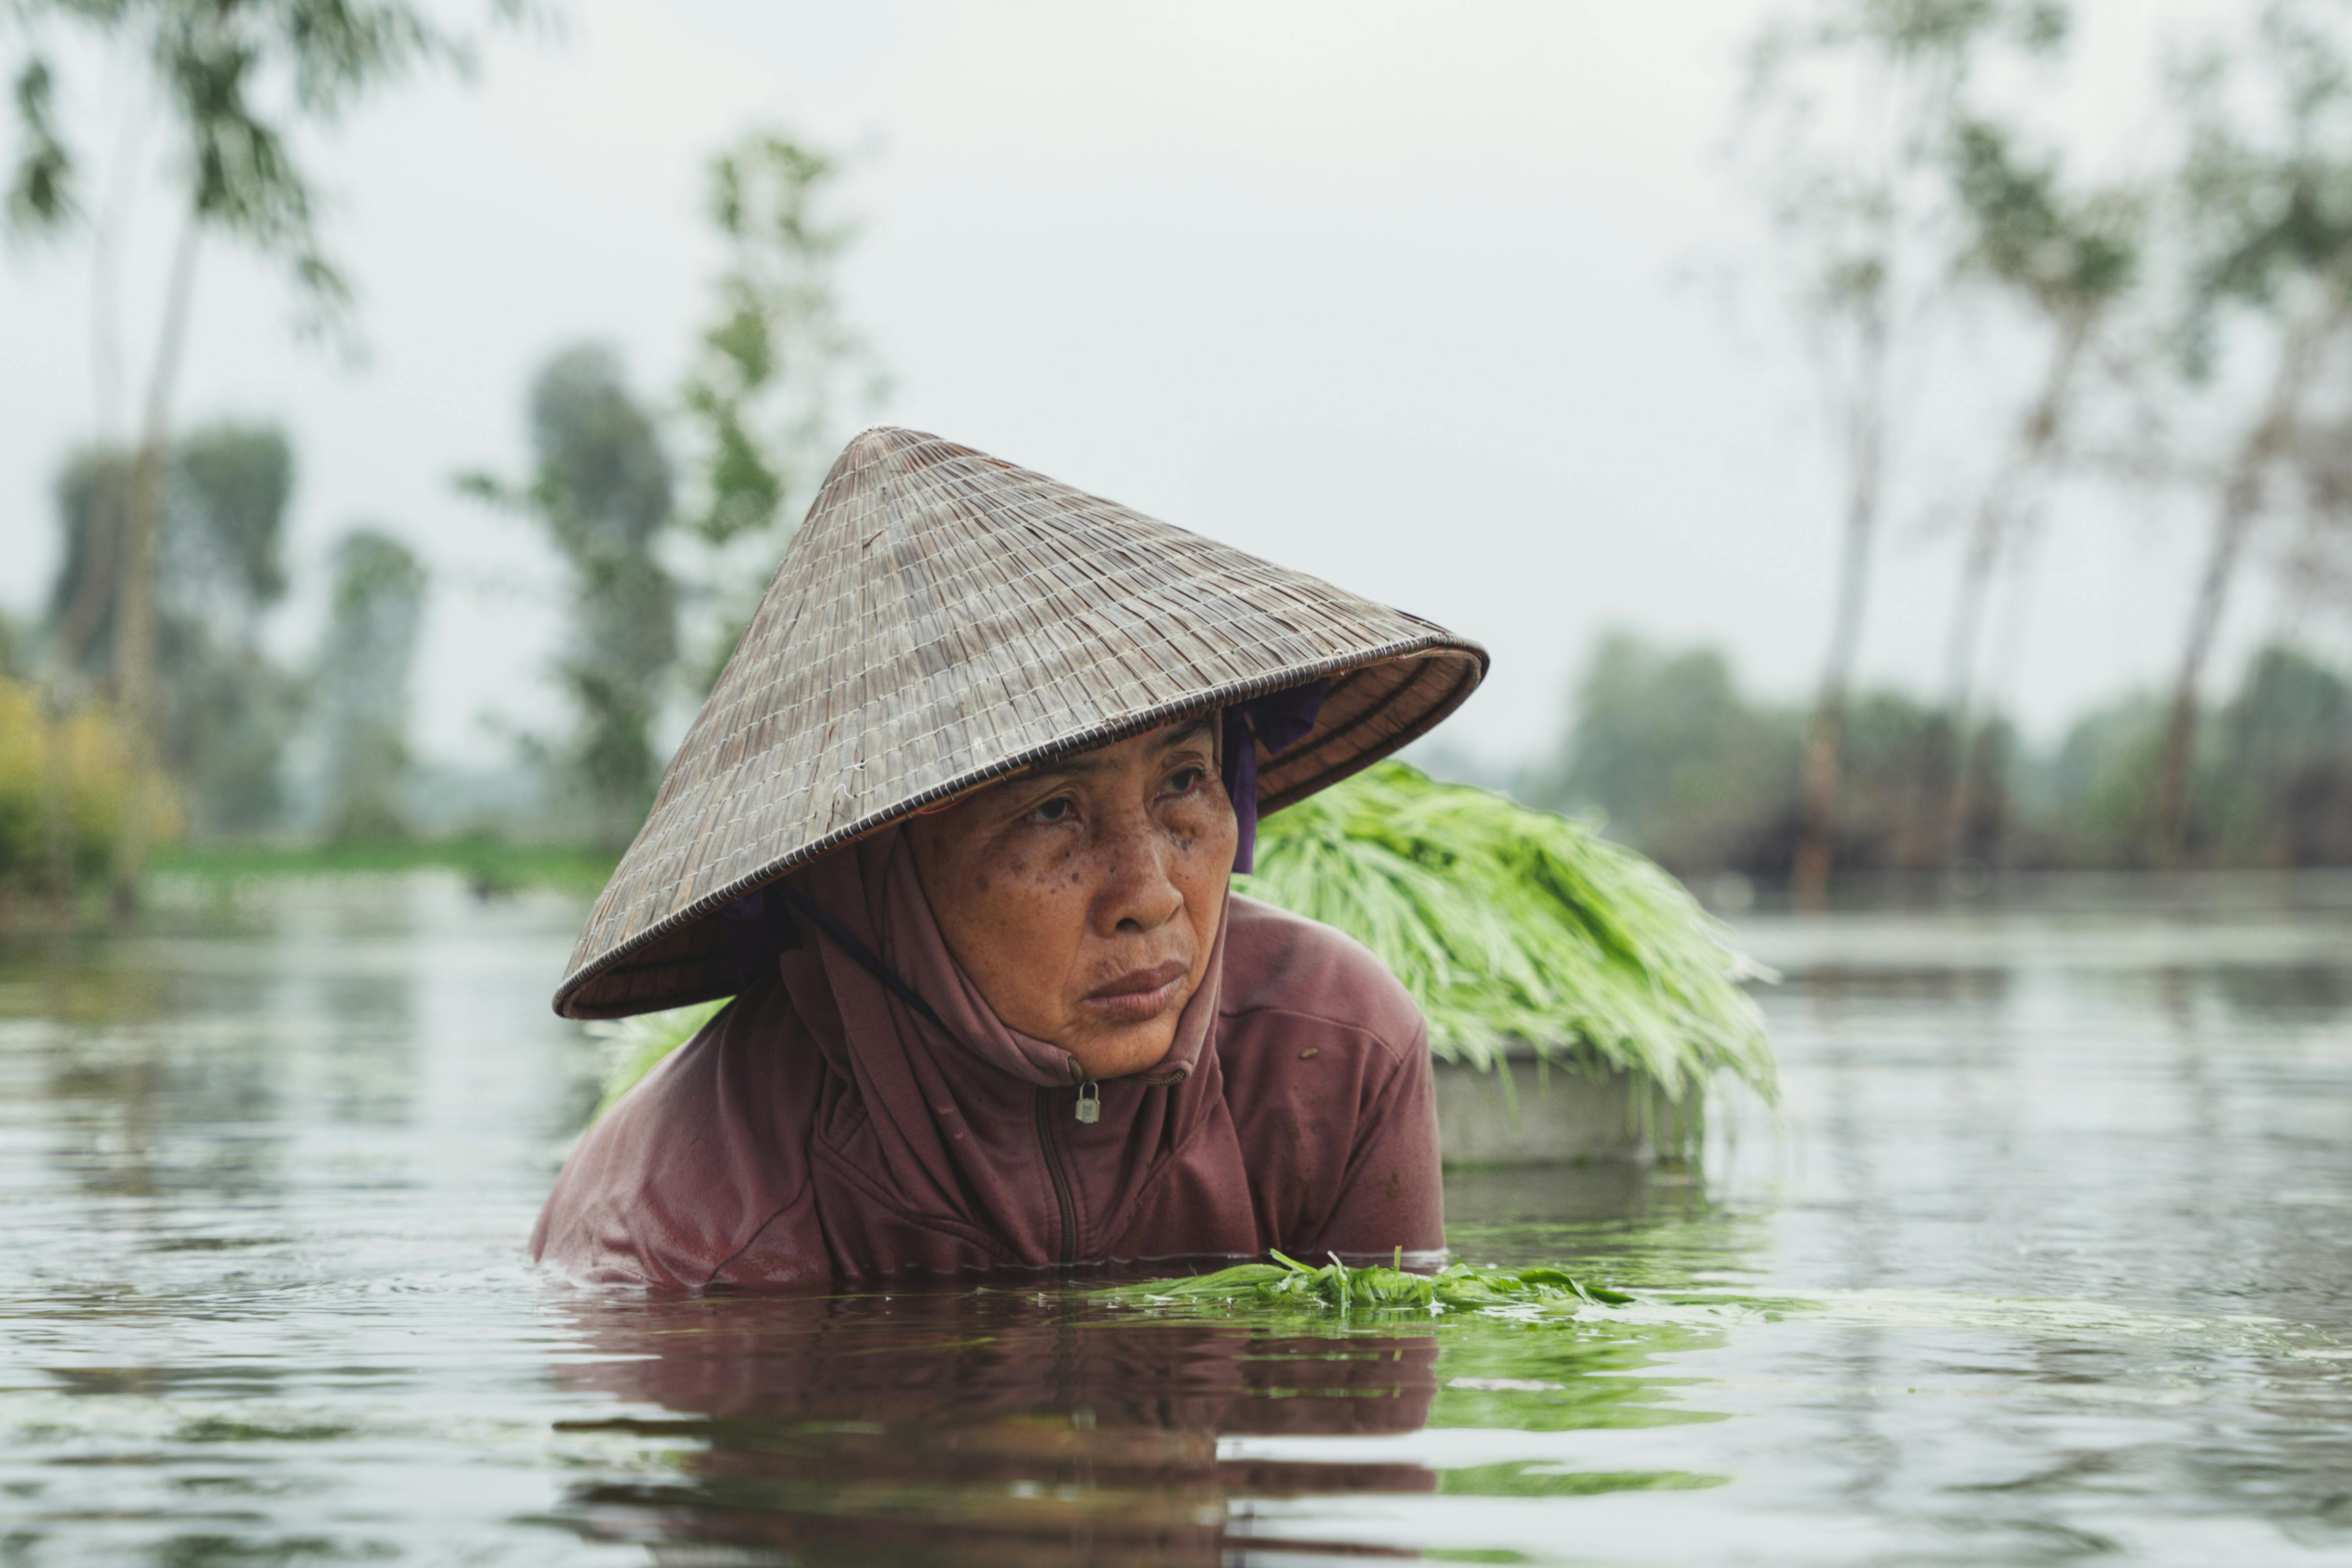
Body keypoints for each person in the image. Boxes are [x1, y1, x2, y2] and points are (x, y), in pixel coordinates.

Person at [533, 427, 1486, 1289]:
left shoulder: (1329, 1057)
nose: (1150, 897)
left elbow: (1353, 1454)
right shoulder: (684, 1234)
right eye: (1053, 812)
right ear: (873, 870)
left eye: (1185, 783)